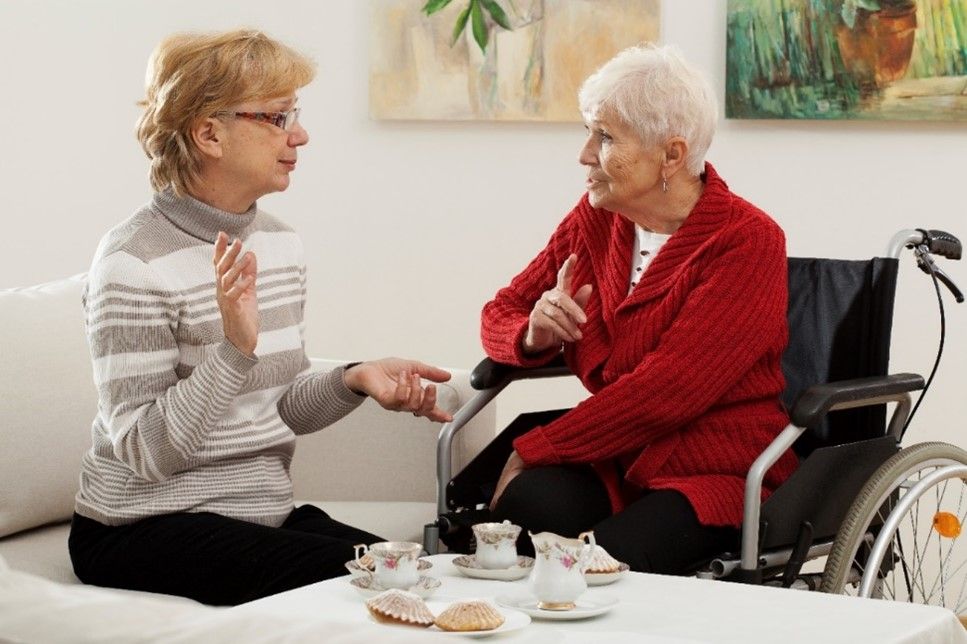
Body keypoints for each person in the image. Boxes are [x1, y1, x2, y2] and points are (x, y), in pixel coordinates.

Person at [68, 29, 453, 606]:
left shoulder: (278, 244)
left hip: (258, 515)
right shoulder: (132, 263)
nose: (299, 134)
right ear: (208, 133)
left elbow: (273, 410)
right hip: (139, 525)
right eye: (277, 117)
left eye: (293, 114)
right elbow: (147, 455)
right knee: (377, 591)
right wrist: (234, 348)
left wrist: (353, 379)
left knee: (430, 577)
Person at [482, 44, 798, 574]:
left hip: (715, 470)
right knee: (523, 513)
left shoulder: (747, 241)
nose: (584, 154)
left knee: (598, 567)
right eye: (589, 132)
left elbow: (667, 393)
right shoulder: (599, 218)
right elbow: (502, 310)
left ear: (672, 156)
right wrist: (532, 335)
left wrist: (536, 447)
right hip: (619, 456)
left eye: (604, 137)